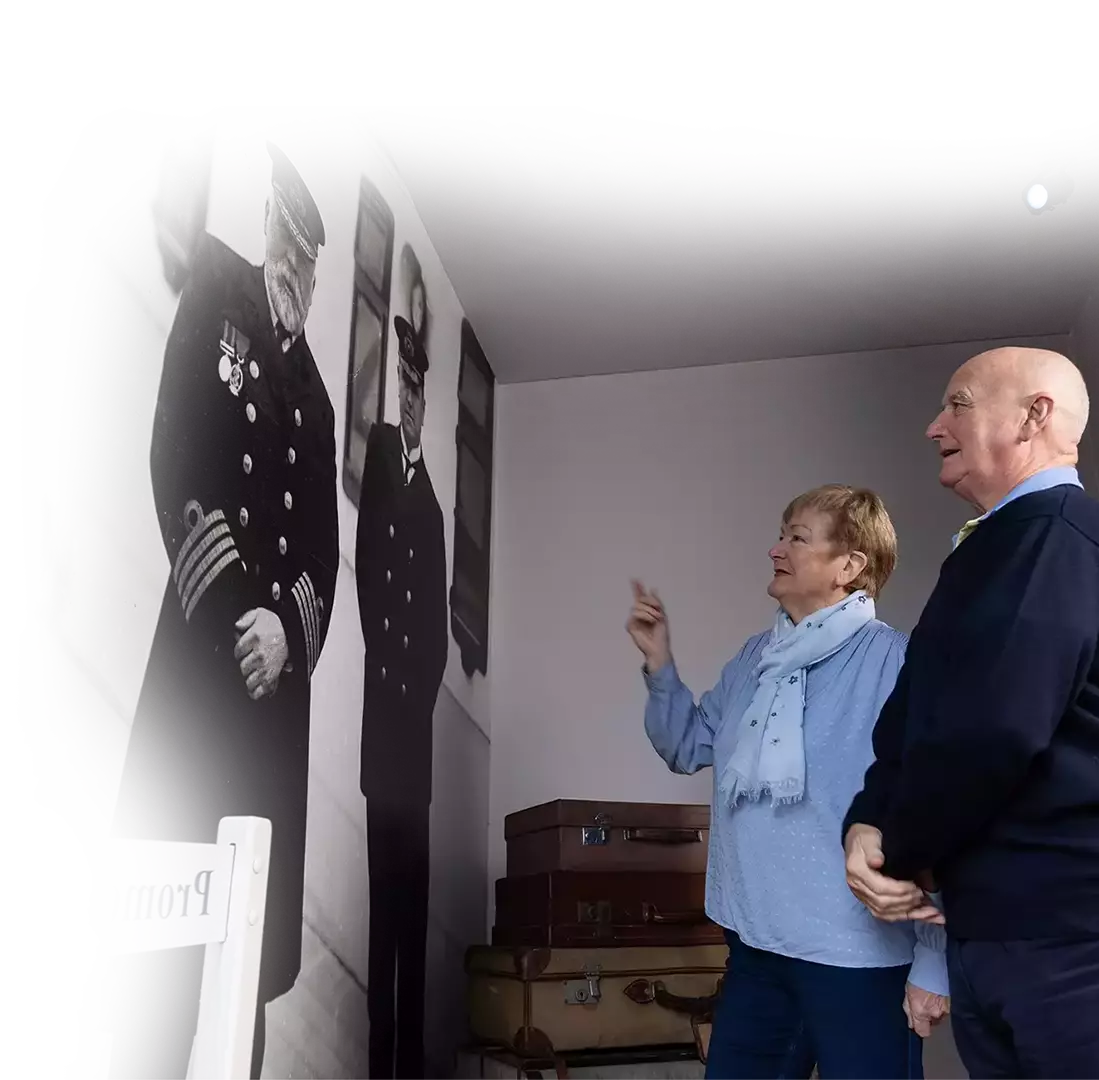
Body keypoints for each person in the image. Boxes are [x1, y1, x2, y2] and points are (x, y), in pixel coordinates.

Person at [78, 141, 339, 1080]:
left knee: (238, 965)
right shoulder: (219, 289)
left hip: (270, 723)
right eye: (289, 243)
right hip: (200, 683)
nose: (295, 269)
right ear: (269, 226)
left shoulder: (316, 394)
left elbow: (320, 556)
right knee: (159, 946)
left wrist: (285, 633)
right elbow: (177, 453)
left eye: (311, 260)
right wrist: (238, 611)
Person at [629, 485, 949, 1080]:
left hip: (858, 962)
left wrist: (934, 962)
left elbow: (937, 809)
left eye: (797, 537)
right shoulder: (756, 658)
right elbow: (687, 745)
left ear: (850, 565)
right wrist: (659, 664)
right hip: (755, 950)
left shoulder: (897, 662)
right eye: (781, 534)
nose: (776, 548)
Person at [843, 346, 1099, 1079]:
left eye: (956, 403)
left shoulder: (1056, 538)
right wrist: (864, 820)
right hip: (999, 937)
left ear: (1033, 417)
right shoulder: (990, 551)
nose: (932, 426)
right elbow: (909, 723)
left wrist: (891, 849)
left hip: (1063, 945)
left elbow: (991, 733)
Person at [355, 314, 449, 1080]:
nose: (409, 401)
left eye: (419, 390)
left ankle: (408, 1056)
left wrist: (417, 698)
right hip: (381, 727)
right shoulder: (385, 459)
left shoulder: (436, 509)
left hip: (409, 735)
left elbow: (438, 625)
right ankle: (378, 1045)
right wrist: (394, 686)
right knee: (381, 902)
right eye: (403, 386)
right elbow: (368, 577)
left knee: (411, 905)